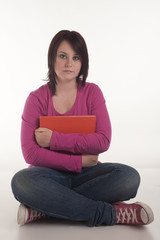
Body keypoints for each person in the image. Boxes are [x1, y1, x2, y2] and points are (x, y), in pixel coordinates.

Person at [11, 30, 154, 227]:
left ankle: (44, 208)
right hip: (48, 175)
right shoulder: (36, 99)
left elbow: (103, 140)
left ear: (82, 63)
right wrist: (77, 161)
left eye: (75, 57)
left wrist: (54, 139)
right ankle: (112, 214)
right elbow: (31, 154)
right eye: (63, 56)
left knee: (128, 177)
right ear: (51, 59)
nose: (69, 63)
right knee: (21, 182)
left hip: (87, 174)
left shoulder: (92, 92)